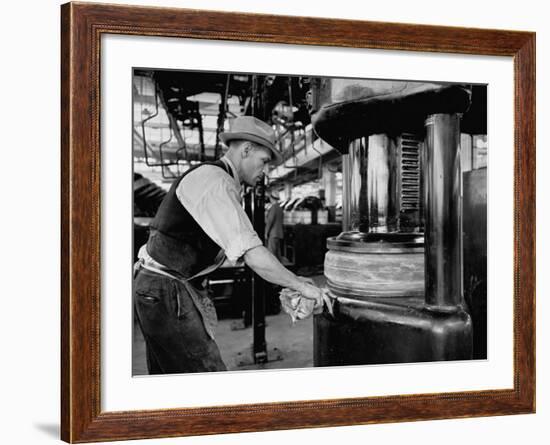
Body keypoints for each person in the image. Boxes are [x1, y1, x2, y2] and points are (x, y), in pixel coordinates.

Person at [133, 115, 325, 375]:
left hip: (160, 286)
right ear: (246, 150)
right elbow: (251, 253)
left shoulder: (217, 179)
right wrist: (299, 285)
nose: (265, 171)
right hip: (167, 288)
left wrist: (285, 280)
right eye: (264, 161)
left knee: (169, 377)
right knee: (206, 377)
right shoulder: (215, 181)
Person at [265, 189, 284, 261]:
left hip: (273, 234)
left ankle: (273, 270)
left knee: (272, 255)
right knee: (278, 254)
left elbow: (270, 221)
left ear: (271, 198)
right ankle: (280, 269)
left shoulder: (273, 208)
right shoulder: (280, 208)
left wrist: (266, 233)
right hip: (279, 234)